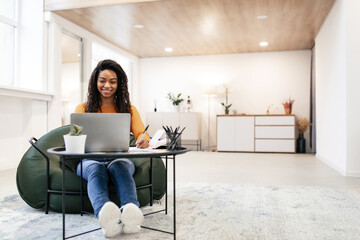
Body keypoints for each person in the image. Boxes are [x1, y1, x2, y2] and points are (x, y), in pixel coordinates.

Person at [74, 59, 150, 238]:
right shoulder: (83, 108)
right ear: (95, 82)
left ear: (119, 84)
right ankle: (104, 213)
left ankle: (131, 211)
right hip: (90, 159)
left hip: (119, 158)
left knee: (120, 167)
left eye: (113, 81)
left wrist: (143, 139)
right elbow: (75, 137)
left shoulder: (129, 108)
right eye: (102, 80)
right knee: (95, 169)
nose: (107, 85)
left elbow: (141, 133)